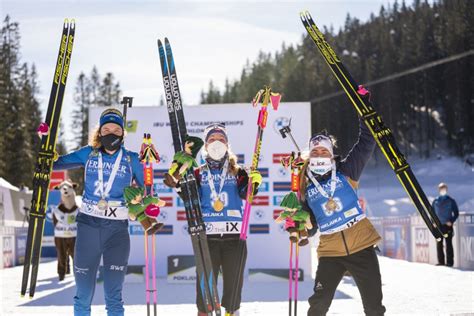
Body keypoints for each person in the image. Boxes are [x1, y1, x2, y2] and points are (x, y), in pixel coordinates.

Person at [299, 89, 385, 316]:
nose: (319, 154)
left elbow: (367, 140)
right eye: (315, 151)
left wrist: (362, 107)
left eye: (323, 151)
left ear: (331, 154)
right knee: (318, 306)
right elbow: (311, 225)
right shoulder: (304, 185)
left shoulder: (347, 170)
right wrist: (302, 226)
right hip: (330, 253)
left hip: (361, 246)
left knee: (374, 307)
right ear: (309, 156)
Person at [52, 108, 145, 316]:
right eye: (106, 128)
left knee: (114, 295)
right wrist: (48, 154)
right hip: (88, 227)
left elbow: (147, 191)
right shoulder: (89, 153)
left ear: (122, 133)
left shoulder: (132, 159)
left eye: (116, 129)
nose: (111, 132)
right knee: (83, 294)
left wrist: (139, 198)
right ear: (100, 132)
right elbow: (56, 164)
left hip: (117, 232)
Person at [193, 123, 261, 316]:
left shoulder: (237, 171)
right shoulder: (198, 173)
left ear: (227, 144)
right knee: (205, 296)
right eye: (212, 140)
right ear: (205, 145)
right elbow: (190, 199)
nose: (217, 143)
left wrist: (252, 184)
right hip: (207, 240)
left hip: (234, 239)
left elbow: (246, 195)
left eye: (221, 140)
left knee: (233, 293)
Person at [432, 182, 459, 267]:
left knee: (449, 244)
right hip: (438, 226)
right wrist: (433, 222)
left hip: (447, 226)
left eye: (444, 188)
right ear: (439, 190)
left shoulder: (451, 200)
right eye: (441, 188)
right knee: (439, 244)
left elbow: (456, 213)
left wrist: (451, 221)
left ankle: (450, 262)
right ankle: (441, 262)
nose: (443, 190)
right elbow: (432, 213)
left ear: (446, 189)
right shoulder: (435, 201)